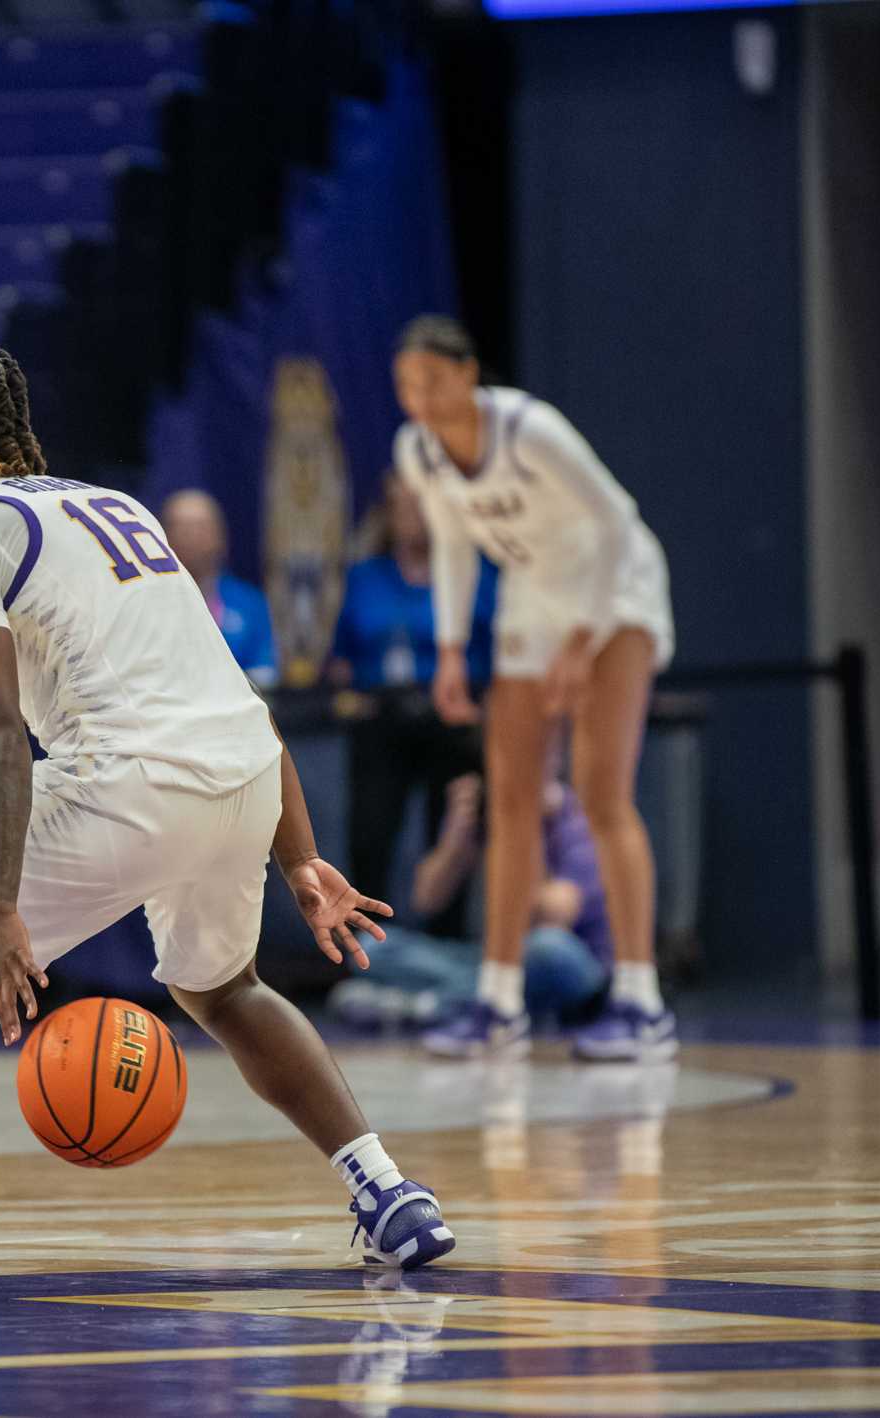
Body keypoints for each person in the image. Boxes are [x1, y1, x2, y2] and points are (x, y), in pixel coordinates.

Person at [0, 337, 454, 1295]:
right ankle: (388, 1193)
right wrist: (299, 858)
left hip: (127, 785)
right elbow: (237, 697)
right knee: (225, 988)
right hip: (243, 779)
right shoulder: (115, 508)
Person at [390, 314, 677, 1062]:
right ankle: (499, 998)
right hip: (534, 595)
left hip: (615, 590)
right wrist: (451, 651)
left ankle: (642, 1000)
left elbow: (616, 519)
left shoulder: (529, 428)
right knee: (509, 794)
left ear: (466, 374)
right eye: (405, 380)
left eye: (429, 377)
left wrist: (584, 639)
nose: (416, 392)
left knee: (600, 791)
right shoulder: (417, 450)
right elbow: (453, 543)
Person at [328, 476, 493, 937]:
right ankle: (368, 947)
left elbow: (496, 650)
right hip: (381, 721)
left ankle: (447, 942)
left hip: (455, 721)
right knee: (371, 833)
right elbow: (342, 658)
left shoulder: (470, 573)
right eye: (402, 506)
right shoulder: (365, 576)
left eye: (422, 506)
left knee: (454, 830)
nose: (412, 516)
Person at [330, 767, 610, 1035]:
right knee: (373, 947)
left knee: (547, 947)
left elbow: (554, 915)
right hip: (487, 960)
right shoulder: (491, 812)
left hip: (570, 963)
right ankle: (456, 1000)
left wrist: (527, 829)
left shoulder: (570, 816)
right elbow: (425, 900)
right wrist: (455, 840)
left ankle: (428, 1006)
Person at [160, 487, 278, 685]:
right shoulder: (144, 600)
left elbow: (265, 670)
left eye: (201, 527)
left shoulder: (250, 602)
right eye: (180, 527)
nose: (191, 536)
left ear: (220, 536)